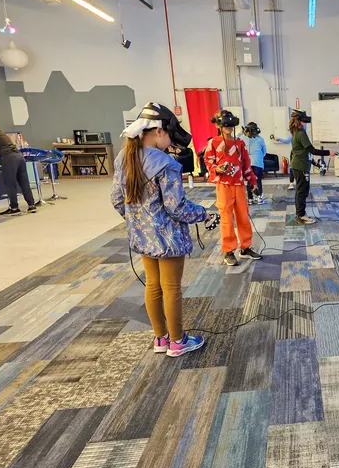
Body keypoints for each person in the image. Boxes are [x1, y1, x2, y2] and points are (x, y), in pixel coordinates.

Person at [111, 102, 209, 358]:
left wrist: (138, 221)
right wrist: (203, 213)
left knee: (153, 285)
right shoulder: (166, 164)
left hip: (143, 237)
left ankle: (161, 338)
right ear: (158, 132)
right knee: (172, 288)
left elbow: (117, 200)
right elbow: (177, 207)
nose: (170, 144)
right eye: (169, 138)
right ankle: (177, 342)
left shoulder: (124, 158)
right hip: (168, 238)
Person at [204, 110, 263, 266]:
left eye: (231, 124)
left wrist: (253, 181)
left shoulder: (239, 143)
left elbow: (246, 164)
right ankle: (228, 251)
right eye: (225, 124)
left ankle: (245, 247)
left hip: (239, 185)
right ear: (218, 125)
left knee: (243, 216)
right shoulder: (213, 142)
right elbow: (208, 161)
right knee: (226, 219)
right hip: (224, 186)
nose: (228, 127)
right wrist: (217, 169)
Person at [0, 115, 36, 216]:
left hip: (9, 157)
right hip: (18, 155)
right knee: (24, 181)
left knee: (10, 183)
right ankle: (31, 205)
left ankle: (14, 208)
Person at [288, 110, 338, 224]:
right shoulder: (301, 133)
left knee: (301, 190)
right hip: (300, 166)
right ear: (299, 121)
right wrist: (328, 152)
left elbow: (305, 152)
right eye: (304, 121)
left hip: (299, 165)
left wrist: (316, 164)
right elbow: (312, 150)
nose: (306, 123)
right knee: (302, 191)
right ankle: (301, 215)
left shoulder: (295, 133)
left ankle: (300, 214)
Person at [243, 122, 266, 204]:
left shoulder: (242, 138)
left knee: (250, 181)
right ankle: (259, 198)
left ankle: (250, 199)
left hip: (247, 163)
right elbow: (264, 152)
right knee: (258, 180)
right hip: (257, 162)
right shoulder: (260, 139)